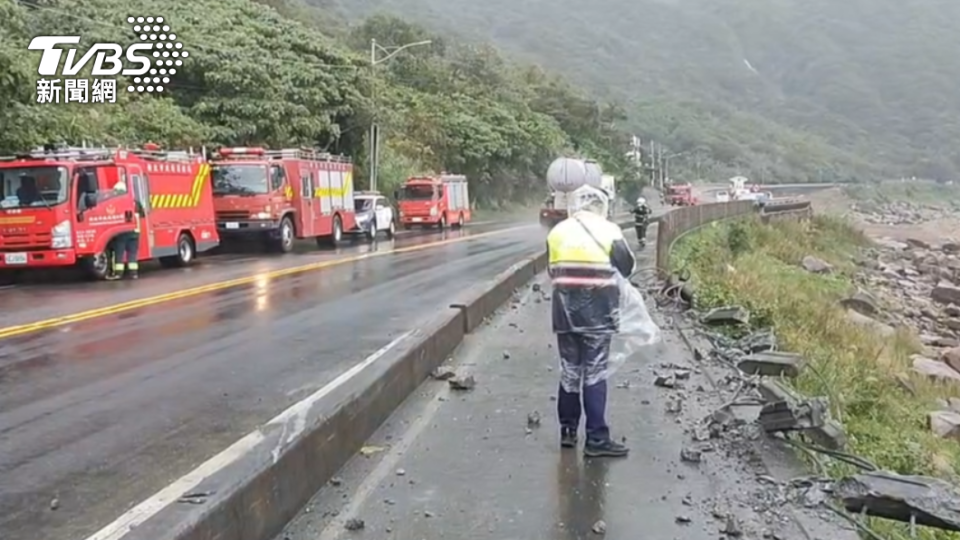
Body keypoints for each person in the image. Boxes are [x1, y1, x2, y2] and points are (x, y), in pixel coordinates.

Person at [546, 185, 636, 458]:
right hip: (599, 311)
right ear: (601, 206)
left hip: (564, 313)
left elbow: (552, 269)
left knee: (570, 371)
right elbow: (627, 267)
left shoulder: (557, 231)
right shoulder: (609, 231)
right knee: (595, 371)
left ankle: (568, 431)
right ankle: (596, 438)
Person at [106, 179, 145, 280]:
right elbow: (142, 214)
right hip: (135, 232)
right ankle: (133, 274)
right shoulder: (135, 202)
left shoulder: (118, 202)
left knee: (119, 253)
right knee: (132, 254)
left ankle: (118, 274)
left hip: (122, 232)